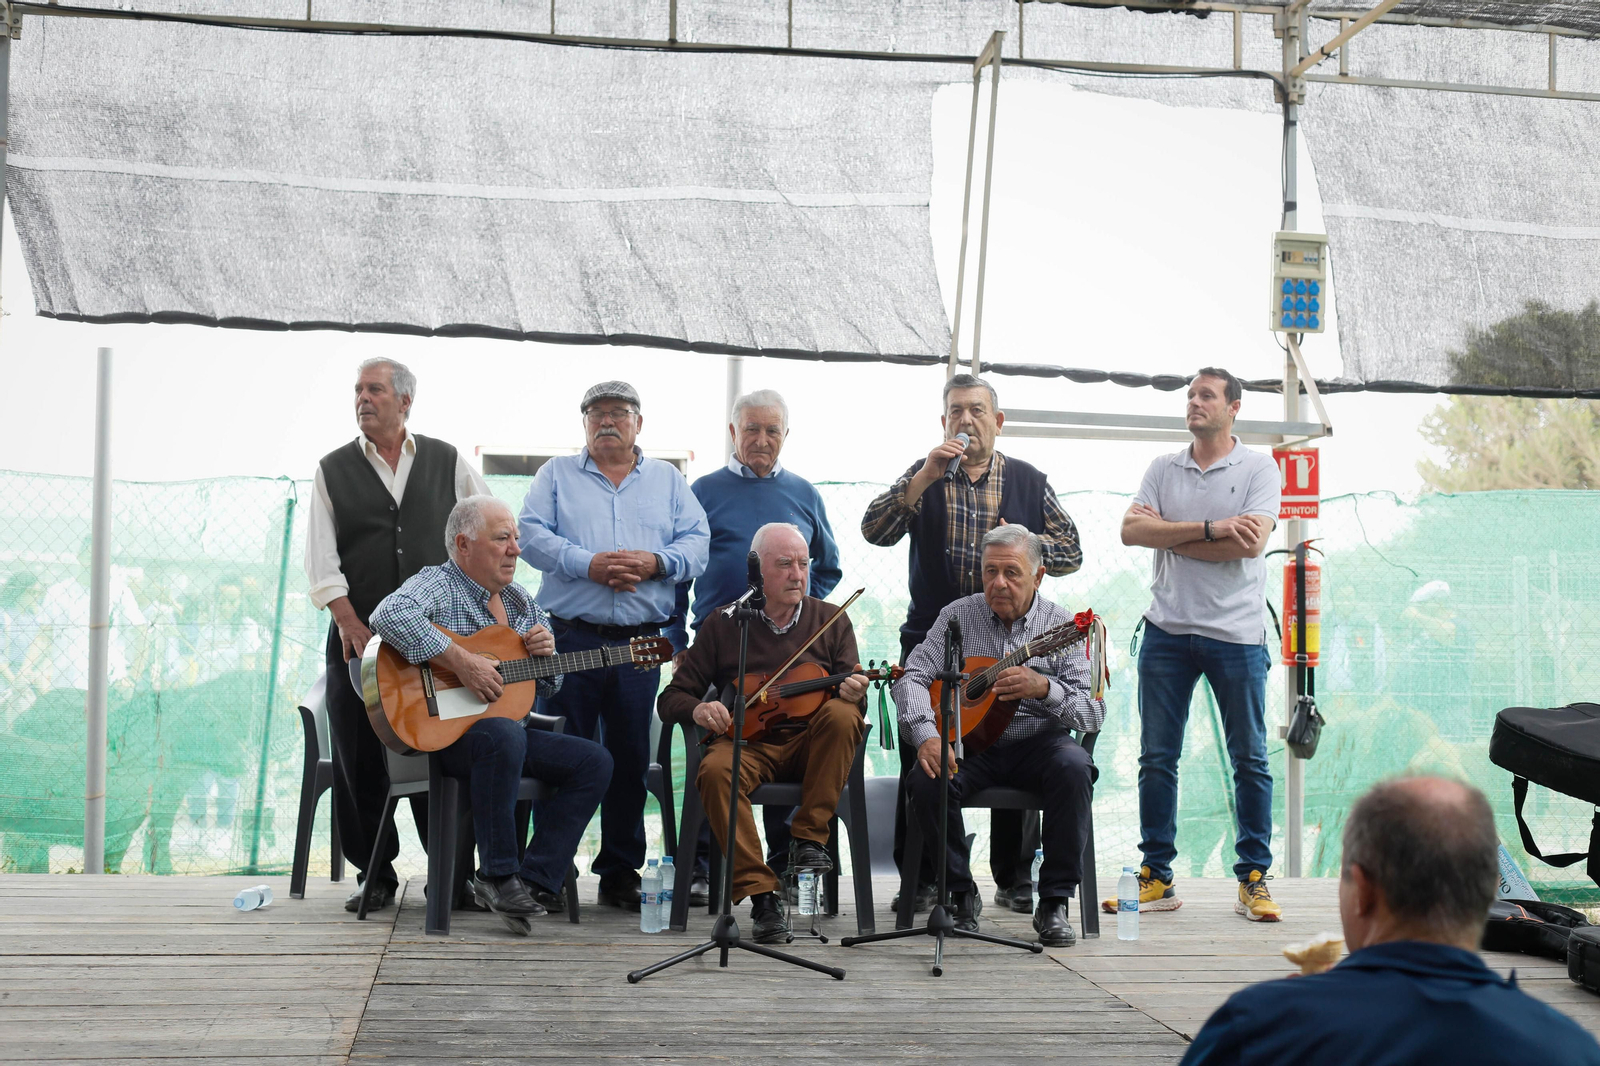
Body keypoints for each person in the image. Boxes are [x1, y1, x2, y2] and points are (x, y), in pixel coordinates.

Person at [1181, 777, 1600, 1065]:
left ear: (1363, 890)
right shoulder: (1570, 1049)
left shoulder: (1257, 1027)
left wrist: (1293, 1011)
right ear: (1490, 891)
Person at [863, 373, 1084, 915]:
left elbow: (1072, 551)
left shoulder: (1030, 481)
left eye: (977, 410)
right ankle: (926, 876)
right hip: (938, 634)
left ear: (998, 421)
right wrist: (920, 480)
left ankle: (1013, 878)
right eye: (956, 411)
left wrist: (1027, 548)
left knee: (1014, 733)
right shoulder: (927, 473)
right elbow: (875, 529)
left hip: (1016, 634)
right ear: (944, 421)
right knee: (929, 751)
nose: (966, 420)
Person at [369, 496, 612, 928]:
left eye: (516, 539)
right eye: (502, 539)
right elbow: (388, 613)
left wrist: (546, 654)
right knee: (503, 734)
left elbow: (548, 684)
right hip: (446, 737)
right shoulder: (438, 584)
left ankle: (535, 880)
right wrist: (461, 661)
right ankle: (497, 875)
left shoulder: (521, 603)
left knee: (594, 760)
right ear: (464, 545)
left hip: (505, 741)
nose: (516, 550)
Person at [305, 357, 489, 912]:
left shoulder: (447, 460)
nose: (363, 398)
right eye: (358, 390)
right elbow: (321, 560)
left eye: (375, 390)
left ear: (404, 401)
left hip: (440, 646)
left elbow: (484, 529)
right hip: (359, 643)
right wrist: (348, 622)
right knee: (359, 758)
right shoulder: (331, 469)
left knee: (449, 746)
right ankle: (376, 874)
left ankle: (451, 875)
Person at [518, 380, 710, 910]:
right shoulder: (554, 475)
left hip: (638, 649)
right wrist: (589, 564)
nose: (608, 421)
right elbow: (530, 535)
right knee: (560, 755)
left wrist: (655, 563)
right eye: (597, 413)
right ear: (583, 424)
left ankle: (619, 872)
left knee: (628, 759)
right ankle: (551, 872)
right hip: (567, 640)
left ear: (639, 423)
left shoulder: (668, 481)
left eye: (620, 413)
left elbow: (698, 544)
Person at [1114, 366, 1282, 922]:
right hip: (1165, 632)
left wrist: (1172, 531)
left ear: (1234, 407)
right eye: (1190, 396)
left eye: (1206, 395)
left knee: (1250, 760)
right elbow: (1131, 531)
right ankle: (1156, 877)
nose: (1194, 403)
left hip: (1236, 637)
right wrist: (1211, 529)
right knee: (1156, 759)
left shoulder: (1259, 467)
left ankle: (1253, 878)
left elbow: (1250, 545)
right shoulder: (1163, 467)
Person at [667, 388, 843, 905]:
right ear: (733, 433)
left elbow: (826, 568)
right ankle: (699, 867)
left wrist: (792, 611)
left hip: (788, 653)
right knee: (717, 756)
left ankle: (789, 865)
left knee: (788, 740)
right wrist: (679, 637)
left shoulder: (805, 494)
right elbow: (679, 572)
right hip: (719, 647)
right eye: (751, 430)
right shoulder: (702, 490)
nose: (761, 440)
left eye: (772, 431)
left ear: (785, 436)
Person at [893, 525, 1104, 947]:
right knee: (925, 776)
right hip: (970, 746)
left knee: (1075, 767)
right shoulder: (958, 615)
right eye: (990, 572)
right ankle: (960, 892)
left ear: (1039, 576)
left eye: (1012, 572)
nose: (999, 583)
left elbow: (1093, 711)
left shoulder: (1062, 624)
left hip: (1038, 744)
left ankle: (1054, 902)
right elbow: (912, 678)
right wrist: (927, 734)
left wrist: (1044, 688)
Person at [657, 523, 867, 943]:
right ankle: (763, 896)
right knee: (715, 770)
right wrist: (700, 707)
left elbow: (855, 699)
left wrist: (854, 690)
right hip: (749, 745)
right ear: (756, 570)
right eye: (785, 564)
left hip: (814, 747)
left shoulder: (832, 620)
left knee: (843, 716)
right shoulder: (726, 624)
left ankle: (808, 839)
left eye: (803, 564)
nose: (797, 574)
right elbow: (672, 697)